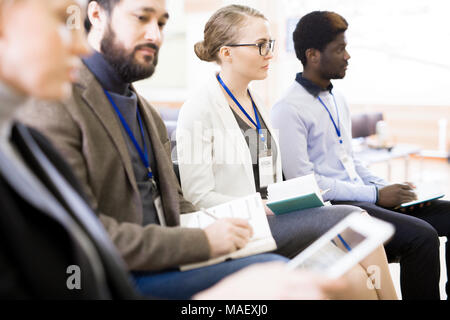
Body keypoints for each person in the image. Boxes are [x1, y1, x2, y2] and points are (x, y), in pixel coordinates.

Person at [15, 0, 304, 300]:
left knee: (308, 269)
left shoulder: (147, 113)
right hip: (118, 277)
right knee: (281, 280)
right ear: (97, 15)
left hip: (173, 258)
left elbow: (176, 204)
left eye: (162, 23)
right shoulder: (57, 104)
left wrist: (226, 228)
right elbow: (80, 233)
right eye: (142, 18)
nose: (155, 35)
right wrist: (203, 241)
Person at [176, 5, 398, 300]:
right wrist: (262, 207)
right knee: (357, 220)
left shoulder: (255, 102)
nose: (270, 53)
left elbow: (267, 175)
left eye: (270, 44)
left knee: (355, 277)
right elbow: (198, 197)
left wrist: (288, 198)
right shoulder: (197, 110)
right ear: (227, 53)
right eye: (260, 45)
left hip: (275, 215)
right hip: (246, 223)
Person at [271, 10, 450, 300]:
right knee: (422, 237)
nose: (348, 56)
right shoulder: (286, 109)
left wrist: (385, 189)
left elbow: (350, 160)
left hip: (363, 196)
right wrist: (376, 196)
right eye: (340, 49)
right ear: (313, 55)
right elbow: (304, 183)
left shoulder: (337, 98)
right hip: (336, 208)